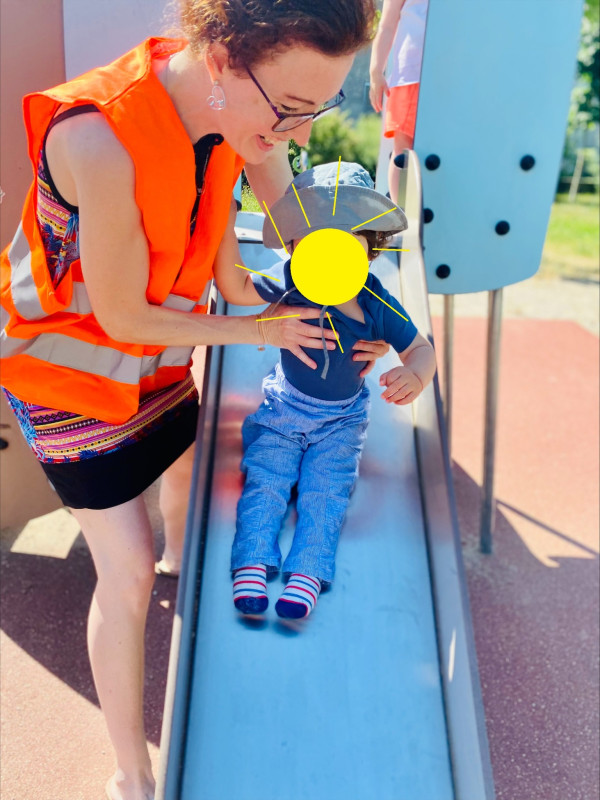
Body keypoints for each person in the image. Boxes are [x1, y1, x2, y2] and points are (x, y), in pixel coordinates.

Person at [0, 3, 384, 798]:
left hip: (160, 355)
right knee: (129, 568)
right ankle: (132, 772)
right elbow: (120, 315)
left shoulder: (244, 114)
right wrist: (264, 330)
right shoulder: (96, 136)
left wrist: (370, 304)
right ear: (221, 61)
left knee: (181, 473)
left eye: (321, 109)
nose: (302, 135)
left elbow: (290, 222)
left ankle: (180, 562)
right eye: (292, 110)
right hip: (68, 375)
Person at [212, 162, 436, 619]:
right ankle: (252, 564)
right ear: (296, 245)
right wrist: (223, 212)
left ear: (369, 250)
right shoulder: (293, 279)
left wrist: (415, 373)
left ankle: (307, 573)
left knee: (325, 494)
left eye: (343, 239)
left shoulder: (373, 299)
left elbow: (420, 348)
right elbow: (233, 286)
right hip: (282, 410)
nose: (327, 251)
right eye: (314, 238)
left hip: (340, 423)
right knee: (267, 482)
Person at [369, 0, 429, 203]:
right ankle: (400, 212)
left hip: (451, 76)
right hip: (410, 73)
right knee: (403, 146)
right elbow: (387, 24)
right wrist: (376, 70)